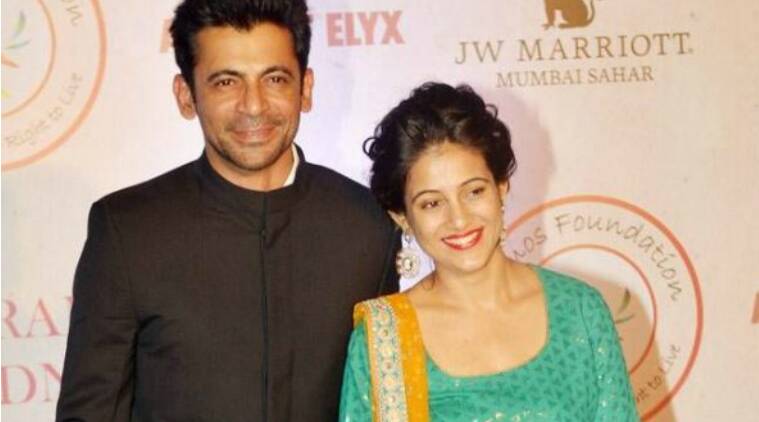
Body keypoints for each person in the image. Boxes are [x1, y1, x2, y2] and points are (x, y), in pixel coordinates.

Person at [56, 0, 399, 420]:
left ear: (305, 88)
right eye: (225, 82)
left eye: (274, 79)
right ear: (186, 95)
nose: (253, 105)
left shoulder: (367, 224)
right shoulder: (128, 231)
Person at [339, 82, 639, 421]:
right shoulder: (382, 341)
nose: (459, 219)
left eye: (474, 192)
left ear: (501, 187)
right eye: (432, 203)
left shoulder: (579, 311)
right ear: (403, 218)